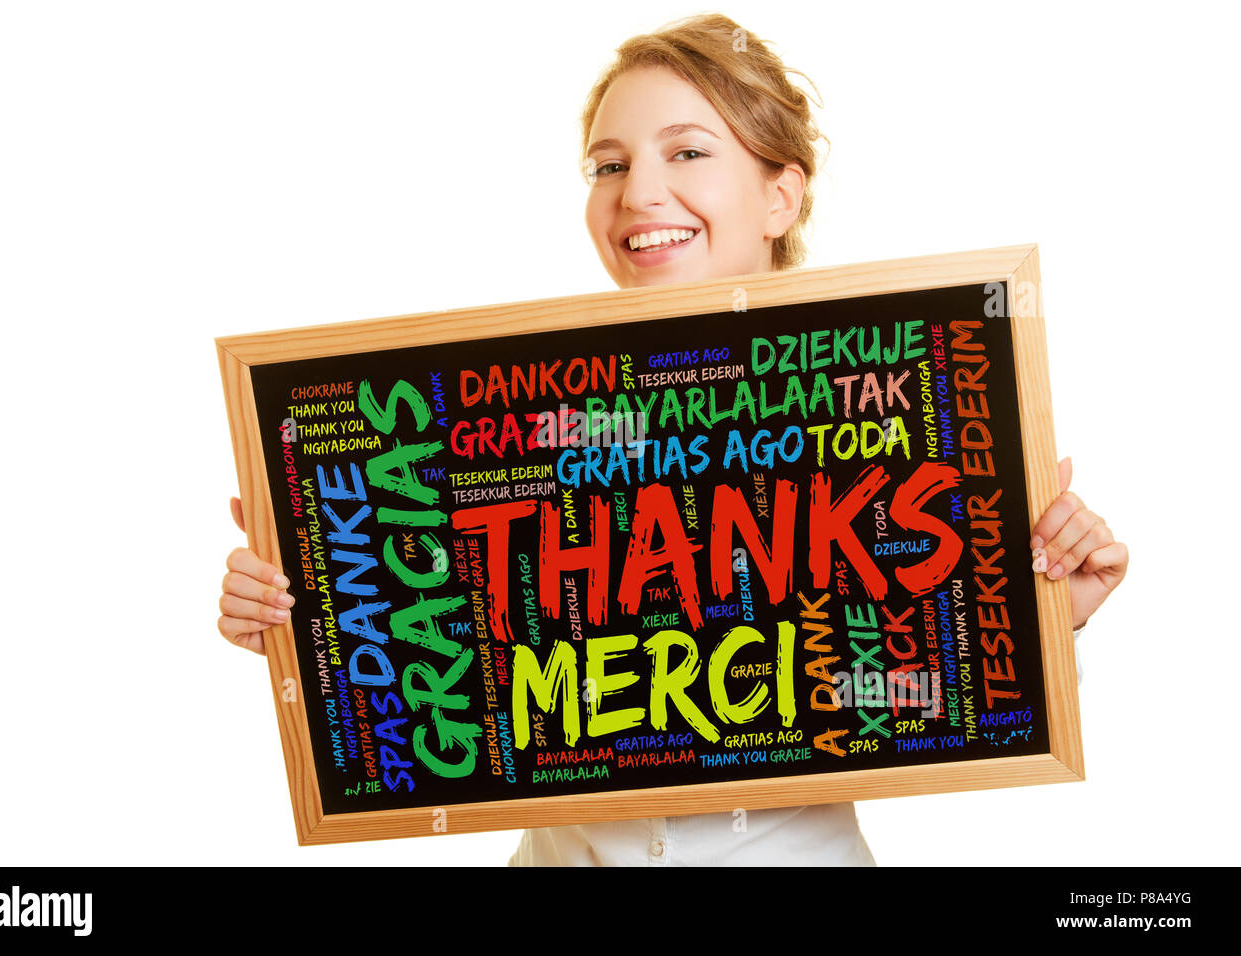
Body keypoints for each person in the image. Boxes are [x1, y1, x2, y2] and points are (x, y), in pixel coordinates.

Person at [217, 13, 1129, 865]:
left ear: (781, 194)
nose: (638, 192)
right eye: (606, 166)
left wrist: (1052, 606)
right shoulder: (495, 432)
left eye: (687, 151)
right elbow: (436, 692)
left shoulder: (886, 407)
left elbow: (929, 694)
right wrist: (312, 622)